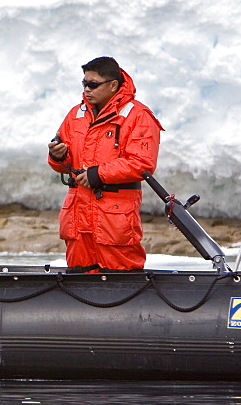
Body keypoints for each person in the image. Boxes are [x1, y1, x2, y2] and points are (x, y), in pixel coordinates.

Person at [48, 56, 163, 272]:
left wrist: (98, 174)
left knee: (120, 278)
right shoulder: (76, 115)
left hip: (113, 216)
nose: (87, 89)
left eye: (93, 84)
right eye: (84, 83)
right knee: (79, 278)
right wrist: (58, 156)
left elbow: (142, 163)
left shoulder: (138, 116)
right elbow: (62, 164)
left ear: (113, 85)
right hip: (78, 215)